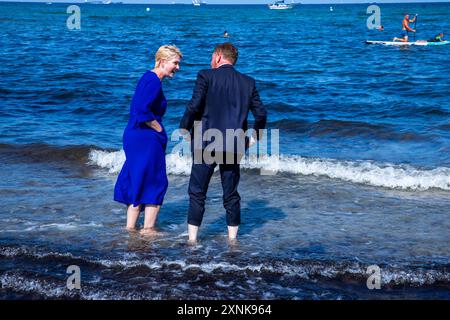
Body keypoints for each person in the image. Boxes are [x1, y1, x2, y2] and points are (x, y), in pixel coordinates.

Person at [179, 43, 267, 244]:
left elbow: (194, 106)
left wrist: (184, 128)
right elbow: (261, 114)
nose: (211, 60)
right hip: (234, 144)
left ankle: (192, 240)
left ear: (218, 57)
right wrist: (255, 137)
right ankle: (233, 240)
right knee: (231, 193)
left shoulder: (205, 75)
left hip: (205, 142)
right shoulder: (248, 82)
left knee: (197, 191)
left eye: (212, 56)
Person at [114, 45, 182, 236]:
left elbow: (137, 109)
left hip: (135, 136)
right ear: (162, 61)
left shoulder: (148, 77)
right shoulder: (153, 81)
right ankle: (148, 229)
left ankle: (130, 228)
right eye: (175, 63)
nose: (178, 68)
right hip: (145, 138)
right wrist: (158, 128)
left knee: (139, 178)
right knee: (155, 180)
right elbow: (139, 110)